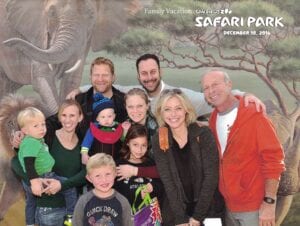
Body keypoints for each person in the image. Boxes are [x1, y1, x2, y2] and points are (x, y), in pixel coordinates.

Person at [201, 70, 285, 226]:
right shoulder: (213, 118)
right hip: (229, 206)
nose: (211, 91)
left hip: (255, 207)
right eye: (206, 88)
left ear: (229, 85)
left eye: (215, 84)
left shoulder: (254, 114)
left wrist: (269, 202)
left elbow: (273, 159)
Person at [73, 53, 265, 116]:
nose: (149, 78)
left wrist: (243, 95)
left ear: (160, 72)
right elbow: (105, 85)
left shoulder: (180, 95)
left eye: (152, 72)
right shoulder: (134, 92)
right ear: (139, 76)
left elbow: (212, 97)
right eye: (144, 74)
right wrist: (78, 90)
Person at [152, 89, 224, 226]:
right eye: (167, 109)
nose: (173, 114)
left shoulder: (203, 134)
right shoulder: (159, 139)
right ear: (161, 113)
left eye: (178, 108)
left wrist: (198, 217)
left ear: (186, 110)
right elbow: (168, 182)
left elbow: (211, 177)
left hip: (208, 208)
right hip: (177, 210)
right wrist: (181, 219)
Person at [12, 99, 86, 226]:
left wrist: (62, 185)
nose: (67, 120)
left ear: (80, 117)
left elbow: (86, 173)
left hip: (73, 209)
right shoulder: (44, 137)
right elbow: (16, 162)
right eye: (64, 115)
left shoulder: (84, 143)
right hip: (49, 210)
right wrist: (35, 181)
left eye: (72, 115)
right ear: (59, 117)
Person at [72, 153, 133, 226]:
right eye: (98, 176)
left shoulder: (123, 202)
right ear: (89, 178)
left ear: (115, 173)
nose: (104, 180)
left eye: (108, 174)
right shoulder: (83, 201)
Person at [114, 124, 163, 209]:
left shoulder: (151, 163)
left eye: (143, 145)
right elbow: (115, 192)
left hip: (150, 218)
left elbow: (162, 186)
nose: (139, 150)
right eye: (135, 145)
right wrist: (136, 193)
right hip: (127, 216)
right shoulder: (118, 164)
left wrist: (152, 187)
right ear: (128, 143)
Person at [75, 56, 128, 136]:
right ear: (90, 77)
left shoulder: (125, 102)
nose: (100, 79)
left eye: (105, 75)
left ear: (113, 77)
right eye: (96, 75)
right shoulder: (78, 101)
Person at [81, 92, 125, 164]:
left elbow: (125, 140)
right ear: (97, 118)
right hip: (97, 163)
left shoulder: (118, 127)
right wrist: (84, 154)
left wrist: (125, 130)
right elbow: (86, 142)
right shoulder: (93, 129)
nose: (106, 119)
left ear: (114, 116)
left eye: (109, 116)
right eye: (103, 117)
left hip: (115, 162)